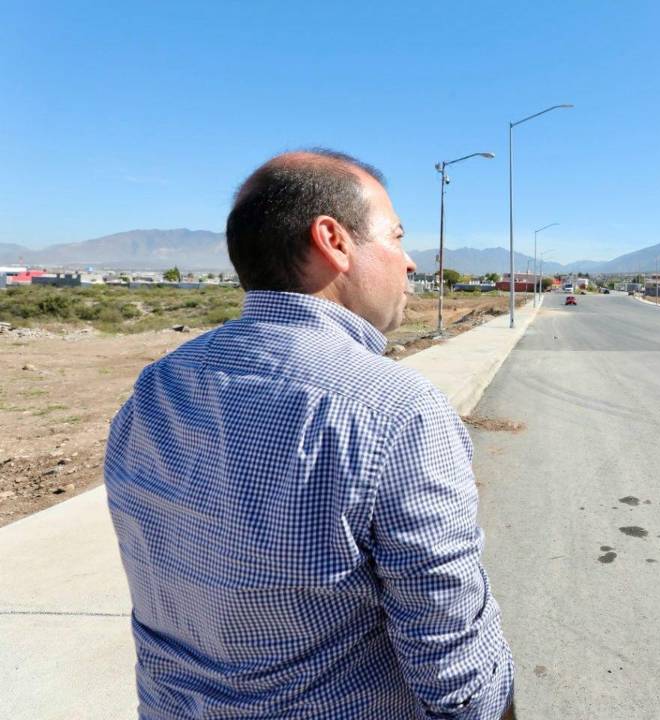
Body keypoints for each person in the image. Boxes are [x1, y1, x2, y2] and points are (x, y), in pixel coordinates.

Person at [105, 150, 515, 719]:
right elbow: (451, 655)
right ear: (334, 241)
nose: (412, 263)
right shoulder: (396, 411)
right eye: (396, 237)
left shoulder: (155, 390)